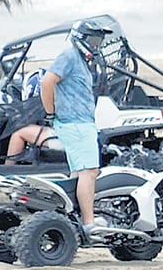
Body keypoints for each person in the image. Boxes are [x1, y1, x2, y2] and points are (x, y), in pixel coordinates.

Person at [40, 19, 112, 235]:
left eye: (98, 40)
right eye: (93, 39)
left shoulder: (81, 61)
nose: (96, 44)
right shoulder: (69, 56)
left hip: (80, 123)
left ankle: (73, 218)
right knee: (90, 172)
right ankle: (89, 222)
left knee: (78, 172)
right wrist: (50, 112)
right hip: (76, 124)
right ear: (81, 39)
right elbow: (47, 82)